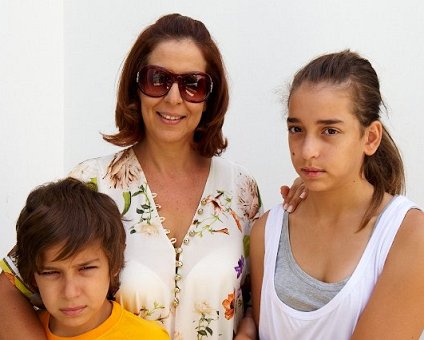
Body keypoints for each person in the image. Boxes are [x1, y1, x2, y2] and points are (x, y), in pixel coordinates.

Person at [0, 14, 303, 340]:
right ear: (136, 86)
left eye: (193, 84)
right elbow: (9, 285)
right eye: (157, 79)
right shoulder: (93, 183)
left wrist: (248, 326)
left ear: (209, 96)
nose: (173, 98)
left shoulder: (241, 190)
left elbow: (260, 296)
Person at [250, 50, 424, 339]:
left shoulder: (408, 235)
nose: (307, 151)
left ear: (370, 138)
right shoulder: (267, 231)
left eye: (329, 130)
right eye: (296, 129)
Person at [9, 177, 169, 339]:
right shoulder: (17, 331)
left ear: (113, 266)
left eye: (86, 268)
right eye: (51, 273)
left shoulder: (146, 336)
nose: (70, 293)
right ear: (33, 277)